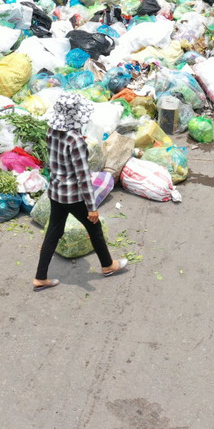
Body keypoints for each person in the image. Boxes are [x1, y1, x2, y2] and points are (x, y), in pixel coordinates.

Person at [33, 93, 128, 291]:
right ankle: (108, 265)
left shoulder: (51, 132)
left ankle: (40, 277)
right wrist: (92, 207)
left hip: (56, 191)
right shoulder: (75, 140)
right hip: (73, 196)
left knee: (54, 231)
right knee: (94, 227)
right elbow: (83, 177)